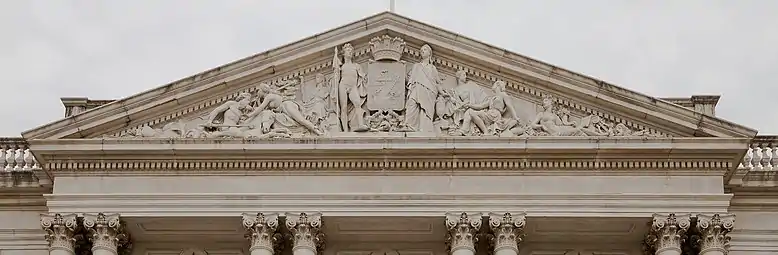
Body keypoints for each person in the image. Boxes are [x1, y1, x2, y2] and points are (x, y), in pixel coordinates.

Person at [404, 44, 441, 132]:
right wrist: (402, 69)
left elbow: (438, 83)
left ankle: (425, 129)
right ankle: (410, 125)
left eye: (425, 49)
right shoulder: (416, 66)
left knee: (425, 111)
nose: (422, 51)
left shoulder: (432, 68)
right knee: (411, 103)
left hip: (429, 91)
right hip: (416, 88)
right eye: (421, 50)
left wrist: (443, 93)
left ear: (429, 53)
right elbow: (409, 79)